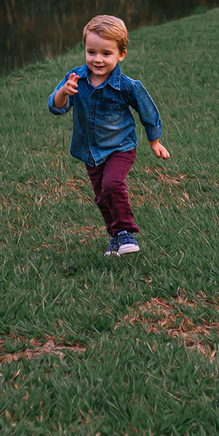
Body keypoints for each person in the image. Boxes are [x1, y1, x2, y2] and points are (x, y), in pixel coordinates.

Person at [49, 15, 170, 257]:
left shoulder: (127, 85)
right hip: (90, 149)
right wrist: (64, 91)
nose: (98, 59)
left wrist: (154, 141)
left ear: (121, 54)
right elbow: (56, 106)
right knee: (101, 196)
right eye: (91, 52)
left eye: (106, 53)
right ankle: (115, 237)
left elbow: (147, 110)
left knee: (112, 184)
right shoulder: (76, 78)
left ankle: (126, 232)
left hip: (120, 146)